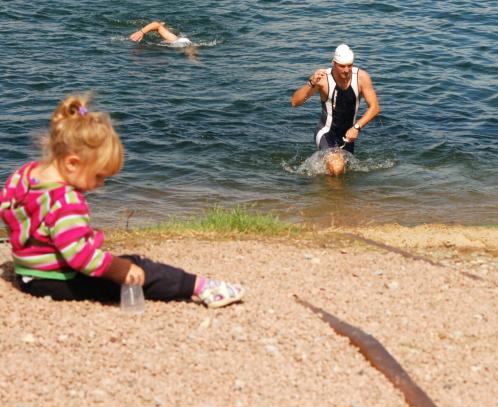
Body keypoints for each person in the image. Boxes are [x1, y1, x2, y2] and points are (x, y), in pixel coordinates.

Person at [0, 95, 244, 308]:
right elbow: (79, 257)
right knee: (137, 268)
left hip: (28, 274)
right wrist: (118, 268)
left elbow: (6, 208)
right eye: (98, 176)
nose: (100, 184)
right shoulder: (66, 200)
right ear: (72, 163)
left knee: (119, 265)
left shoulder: (25, 175)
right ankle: (200, 287)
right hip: (57, 280)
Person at [291, 44, 380, 176]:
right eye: (342, 66)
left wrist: (356, 128)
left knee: (342, 173)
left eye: (349, 65)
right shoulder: (322, 79)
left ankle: (326, 189)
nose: (346, 70)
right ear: (334, 63)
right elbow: (295, 102)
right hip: (326, 132)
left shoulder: (362, 78)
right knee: (336, 166)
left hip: (349, 135)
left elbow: (375, 107)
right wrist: (311, 83)